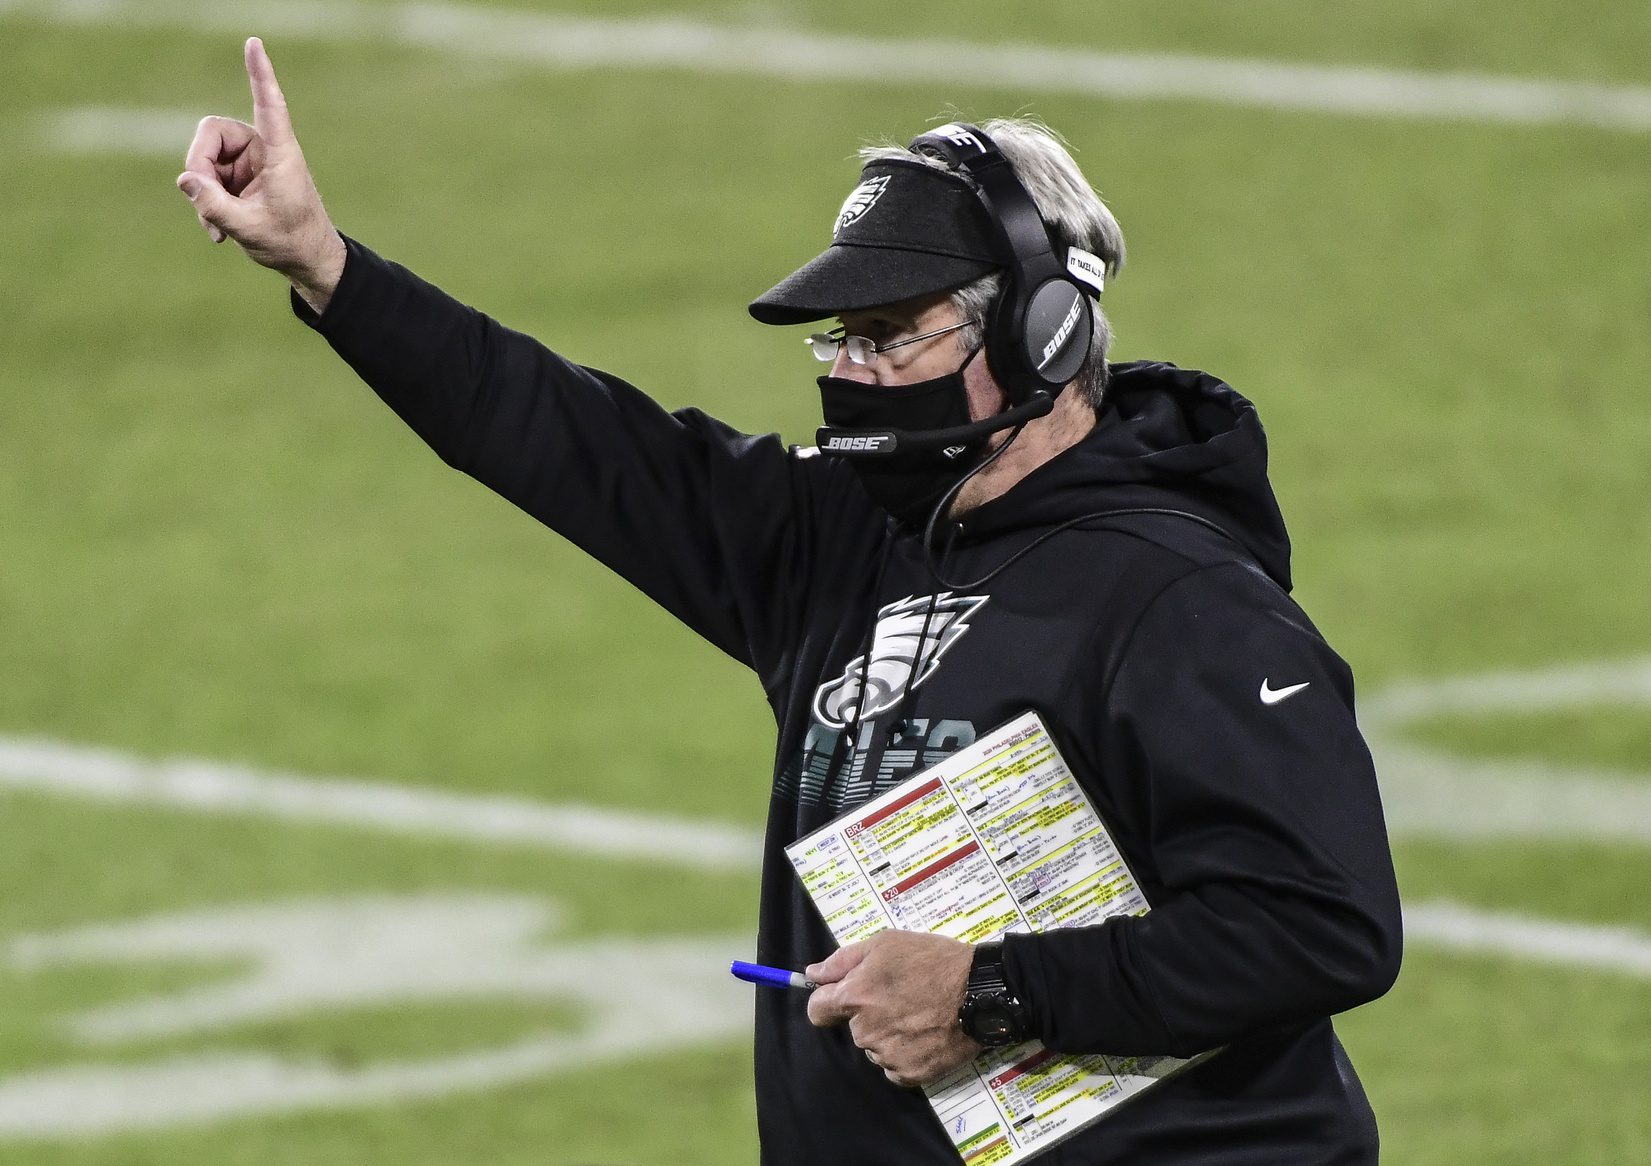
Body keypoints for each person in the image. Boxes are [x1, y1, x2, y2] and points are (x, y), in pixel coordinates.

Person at [178, 37, 1402, 1165]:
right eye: (838, 341)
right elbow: (563, 435)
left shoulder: (1181, 598)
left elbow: (1320, 925)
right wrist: (326, 266)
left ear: (1040, 331)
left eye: (890, 333)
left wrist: (988, 988)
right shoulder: (840, 536)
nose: (853, 374)